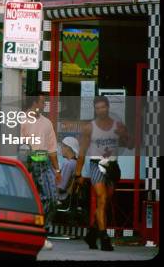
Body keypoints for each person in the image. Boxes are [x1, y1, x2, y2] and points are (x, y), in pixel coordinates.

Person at [76, 96, 131, 251]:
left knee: (104, 204)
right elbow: (82, 151)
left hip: (112, 166)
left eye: (103, 107)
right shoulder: (90, 128)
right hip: (96, 165)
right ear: (95, 109)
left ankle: (91, 235)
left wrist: (125, 135)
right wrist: (78, 173)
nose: (100, 110)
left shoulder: (117, 125)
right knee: (101, 198)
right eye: (97, 108)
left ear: (108, 107)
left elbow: (130, 145)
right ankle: (104, 238)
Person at [20, 94, 61, 250]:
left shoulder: (47, 123)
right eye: (43, 102)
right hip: (26, 163)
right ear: (34, 102)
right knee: (28, 200)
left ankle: (41, 230)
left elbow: (52, 149)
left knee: (51, 199)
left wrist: (57, 170)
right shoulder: (20, 120)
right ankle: (30, 233)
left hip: (43, 162)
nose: (45, 105)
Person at [58, 136, 79, 202]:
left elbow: (61, 187)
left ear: (69, 148)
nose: (61, 148)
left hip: (61, 198)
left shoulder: (68, 164)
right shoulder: (75, 163)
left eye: (63, 146)